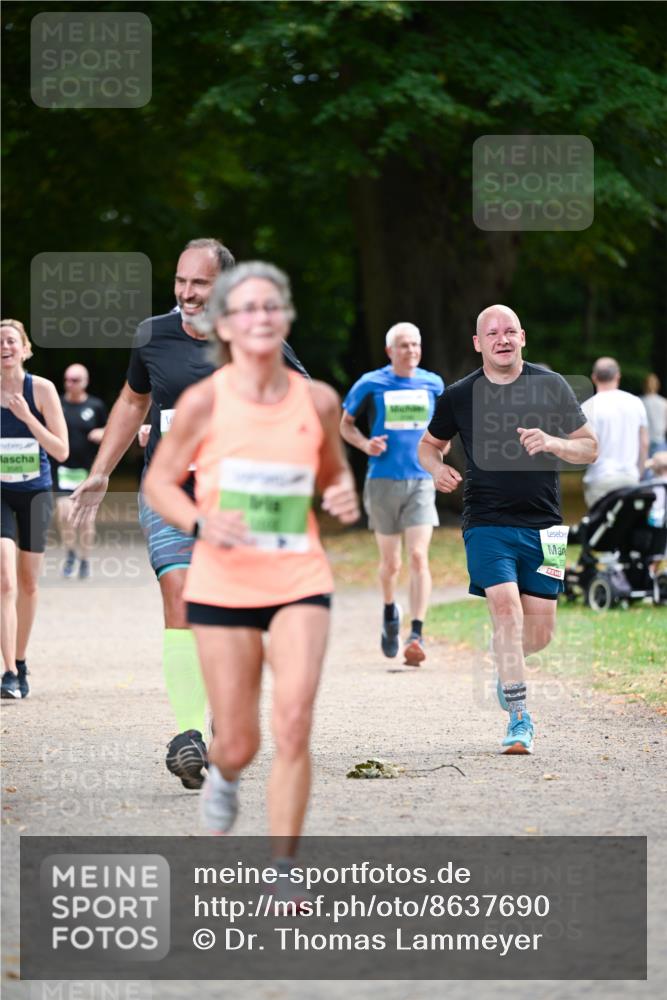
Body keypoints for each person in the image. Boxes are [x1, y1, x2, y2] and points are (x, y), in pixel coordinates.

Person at [69, 238, 308, 791]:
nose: (186, 292)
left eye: (198, 283)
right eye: (180, 281)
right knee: (178, 596)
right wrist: (103, 471)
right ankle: (187, 737)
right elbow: (133, 400)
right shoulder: (154, 335)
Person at [143, 261, 359, 855]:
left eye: (271, 307)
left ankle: (284, 864)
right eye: (245, 309)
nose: (259, 318)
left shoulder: (316, 400)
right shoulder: (202, 404)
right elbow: (160, 484)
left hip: (297, 576)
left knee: (294, 722)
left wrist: (342, 495)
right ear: (225, 325)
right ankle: (227, 771)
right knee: (240, 740)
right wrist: (201, 522)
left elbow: (333, 476)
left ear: (284, 320)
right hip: (224, 583)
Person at [418, 304, 597, 755]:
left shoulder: (551, 386)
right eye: (492, 333)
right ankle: (520, 718)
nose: (502, 338)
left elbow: (590, 448)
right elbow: (428, 446)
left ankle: (507, 665)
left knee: (538, 635)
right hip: (486, 522)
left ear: (523, 337)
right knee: (506, 612)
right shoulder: (459, 396)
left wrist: (553, 442)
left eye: (510, 331)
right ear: (478, 343)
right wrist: (434, 470)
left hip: (548, 528)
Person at [340, 322, 444, 665]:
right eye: (403, 345)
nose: (411, 350)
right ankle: (389, 612)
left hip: (420, 481)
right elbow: (346, 424)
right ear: (390, 351)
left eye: (415, 344)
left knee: (417, 557)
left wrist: (440, 453)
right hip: (383, 480)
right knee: (391, 563)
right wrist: (364, 444)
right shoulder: (372, 382)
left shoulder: (433, 383)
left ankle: (416, 634)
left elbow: (446, 426)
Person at [1, 319, 68, 699]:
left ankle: (21, 661)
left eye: (11, 340)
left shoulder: (41, 389)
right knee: (5, 578)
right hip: (0, 494)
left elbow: (62, 450)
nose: (4, 346)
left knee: (28, 582)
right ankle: (8, 671)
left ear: (24, 348)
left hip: (35, 494)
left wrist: (27, 416)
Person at [54, 364, 107, 579]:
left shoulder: (95, 406)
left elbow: (111, 432)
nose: (70, 384)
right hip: (62, 470)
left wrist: (101, 432)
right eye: (67, 379)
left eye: (75, 380)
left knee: (86, 520)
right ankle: (70, 552)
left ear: (85, 381)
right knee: (64, 514)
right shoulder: (56, 403)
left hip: (87, 471)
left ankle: (84, 559)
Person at [581, 357, 649, 508]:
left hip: (600, 479)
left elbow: (585, 449)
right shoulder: (635, 402)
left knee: (602, 529)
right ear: (618, 375)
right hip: (630, 478)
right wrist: (638, 472)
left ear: (594, 377)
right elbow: (644, 443)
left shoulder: (587, 407)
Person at [641, 373, 667, 458]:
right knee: (661, 470)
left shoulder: (639, 402)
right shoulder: (664, 402)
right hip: (659, 439)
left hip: (644, 440)